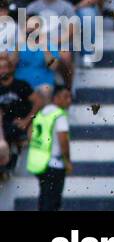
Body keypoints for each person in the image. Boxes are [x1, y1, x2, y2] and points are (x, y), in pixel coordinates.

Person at [26, 82, 71, 211]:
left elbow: (30, 134)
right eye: (66, 97)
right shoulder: (59, 115)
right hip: (54, 164)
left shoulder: (42, 113)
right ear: (56, 97)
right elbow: (63, 141)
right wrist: (67, 161)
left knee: (44, 198)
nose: (69, 100)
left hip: (41, 163)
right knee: (52, 202)